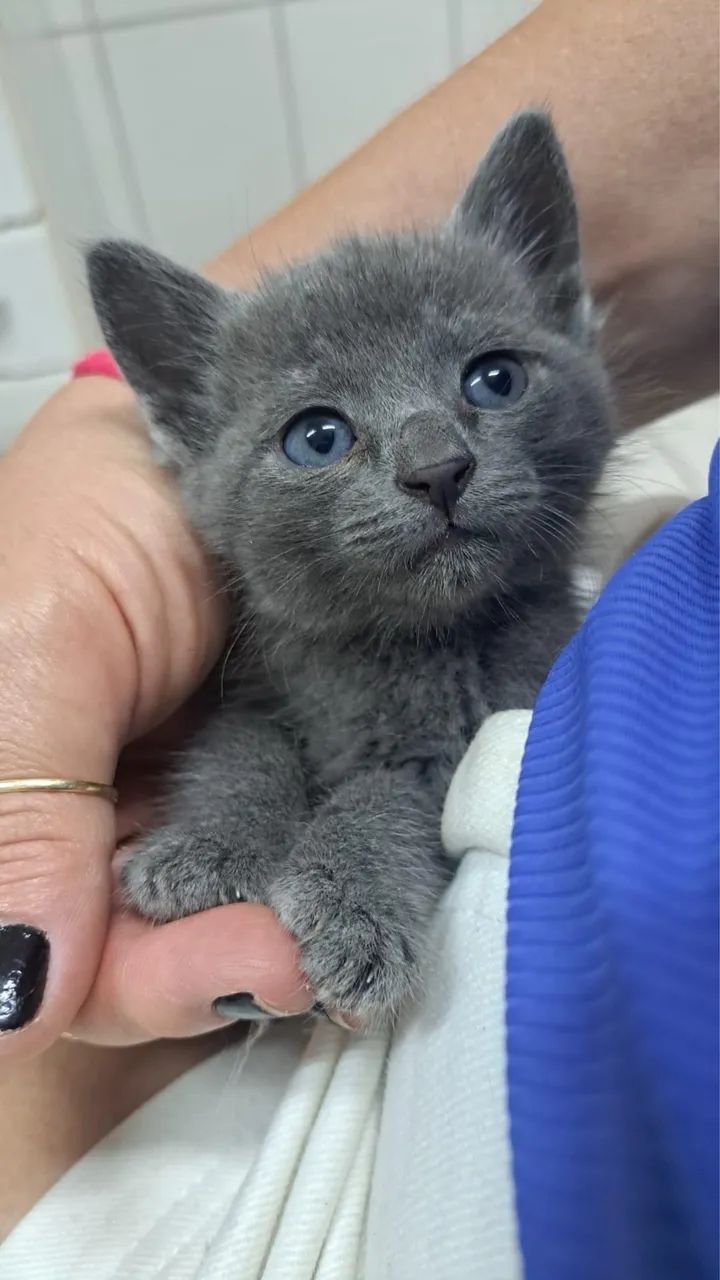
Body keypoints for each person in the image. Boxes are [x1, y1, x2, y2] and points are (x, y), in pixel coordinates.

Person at [0, 0, 716, 1263]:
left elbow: (468, 755)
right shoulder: (239, 626)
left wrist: (365, 822)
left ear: (568, 318)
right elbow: (259, 725)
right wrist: (72, 436)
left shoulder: (543, 627)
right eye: (318, 434)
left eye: (491, 377)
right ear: (187, 434)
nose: (436, 455)